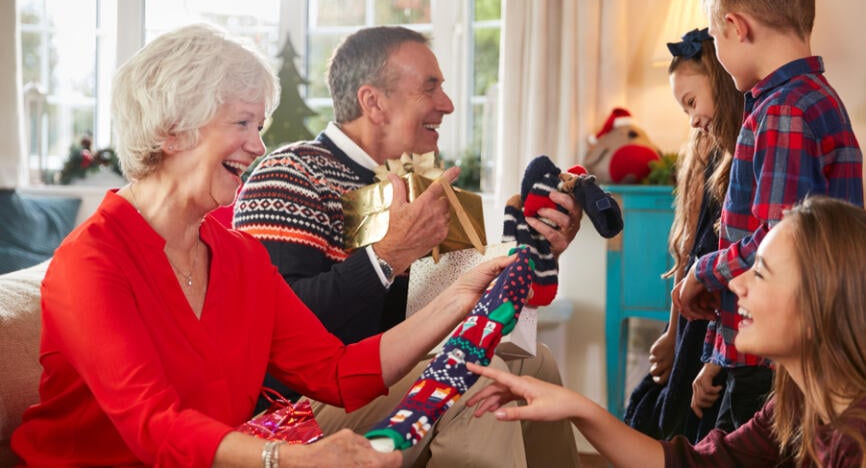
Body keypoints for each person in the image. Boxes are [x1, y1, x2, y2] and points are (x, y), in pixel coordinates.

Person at [10, 23, 516, 467]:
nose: (258, 145)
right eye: (242, 123)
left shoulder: (238, 257)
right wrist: (290, 458)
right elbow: (153, 426)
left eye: (260, 126)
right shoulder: (92, 261)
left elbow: (339, 372)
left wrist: (460, 298)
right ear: (171, 132)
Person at [234, 25, 582, 467]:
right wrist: (388, 257)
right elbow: (273, 324)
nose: (449, 104)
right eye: (430, 87)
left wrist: (534, 256)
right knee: (472, 381)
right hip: (297, 406)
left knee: (537, 368)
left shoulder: (421, 190)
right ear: (373, 102)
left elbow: (447, 313)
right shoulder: (290, 174)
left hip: (386, 377)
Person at [467, 196, 866, 467]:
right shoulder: (802, 400)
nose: (736, 284)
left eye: (760, 272)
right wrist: (575, 406)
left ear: (822, 307)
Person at [674, 0, 864, 434]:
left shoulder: (781, 113)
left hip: (777, 363)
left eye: (716, 37)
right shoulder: (818, 100)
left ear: (736, 27)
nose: (718, 49)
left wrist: (702, 269)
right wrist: (719, 351)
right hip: (793, 349)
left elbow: (777, 247)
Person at [623, 27, 743, 443]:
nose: (692, 119)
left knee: (692, 431)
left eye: (692, 102)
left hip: (724, 327)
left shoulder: (745, 156)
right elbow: (687, 254)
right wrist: (671, 333)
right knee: (650, 412)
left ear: (723, 83)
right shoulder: (703, 153)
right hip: (694, 325)